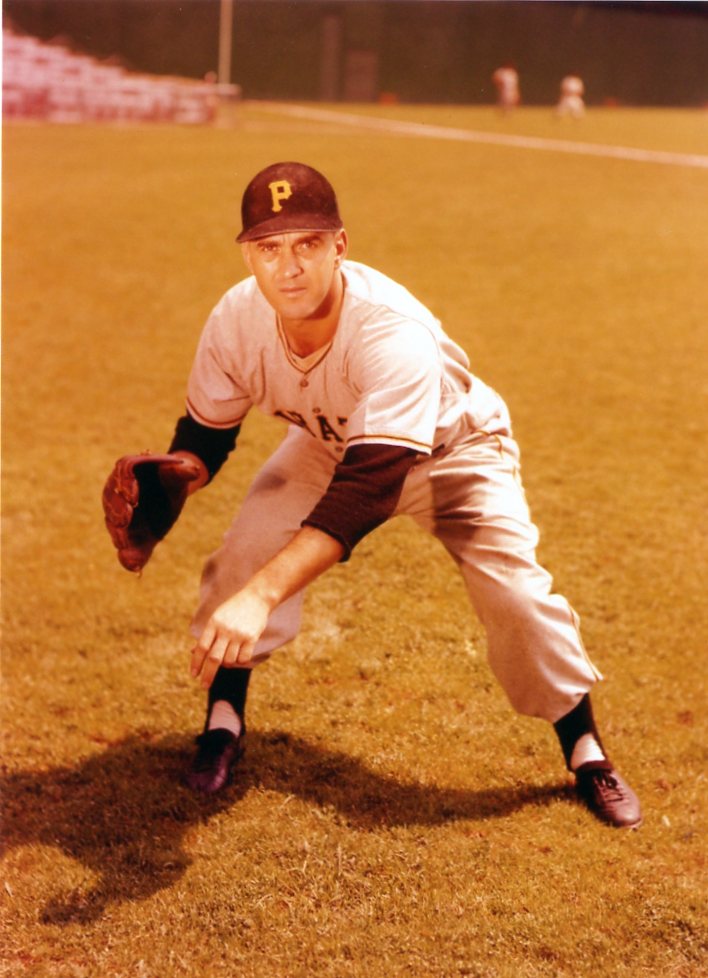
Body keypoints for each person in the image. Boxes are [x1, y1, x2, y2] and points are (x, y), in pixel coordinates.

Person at [109, 162, 642, 829]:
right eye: (269, 248)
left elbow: (365, 491)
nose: (288, 267)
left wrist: (261, 596)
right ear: (248, 255)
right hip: (333, 442)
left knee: (515, 596)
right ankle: (223, 720)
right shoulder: (236, 319)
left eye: (307, 244)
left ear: (340, 245)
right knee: (246, 552)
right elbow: (205, 435)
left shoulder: (391, 330)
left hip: (454, 451)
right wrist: (178, 474)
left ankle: (586, 750)